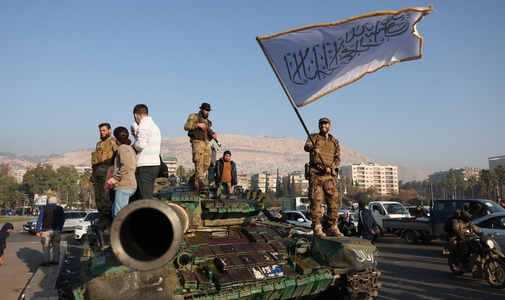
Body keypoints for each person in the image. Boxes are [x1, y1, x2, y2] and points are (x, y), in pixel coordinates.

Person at [304, 117, 342, 237]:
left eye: (325, 124)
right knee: (316, 200)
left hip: (329, 175)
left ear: (330, 126)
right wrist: (313, 149)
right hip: (316, 174)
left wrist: (331, 167)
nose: (323, 126)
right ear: (319, 126)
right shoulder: (314, 137)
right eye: (321, 124)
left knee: (333, 200)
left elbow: (337, 159)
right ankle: (317, 227)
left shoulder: (334, 141)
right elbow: (306, 147)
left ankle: (332, 226)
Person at [131, 104, 161, 201]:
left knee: (145, 199)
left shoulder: (143, 125)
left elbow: (140, 145)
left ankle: (147, 216)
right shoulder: (154, 125)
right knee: (146, 195)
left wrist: (132, 147)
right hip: (153, 165)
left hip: (145, 166)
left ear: (136, 115)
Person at [184, 103, 217, 190]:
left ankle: (193, 179)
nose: (208, 112)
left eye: (209, 111)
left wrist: (213, 135)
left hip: (206, 142)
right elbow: (186, 126)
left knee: (206, 164)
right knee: (199, 161)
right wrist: (197, 125)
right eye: (206, 110)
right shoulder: (194, 117)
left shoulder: (208, 122)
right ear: (201, 109)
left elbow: (209, 131)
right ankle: (201, 182)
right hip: (197, 142)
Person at [90, 123, 118, 227]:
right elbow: (95, 161)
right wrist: (93, 174)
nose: (102, 133)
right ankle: (102, 215)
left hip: (107, 173)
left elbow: (117, 155)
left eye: (104, 130)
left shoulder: (113, 142)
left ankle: (107, 216)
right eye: (100, 131)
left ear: (109, 130)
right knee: (98, 195)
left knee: (106, 195)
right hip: (97, 173)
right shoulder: (99, 144)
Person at [107, 127, 137, 219]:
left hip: (124, 186)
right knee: (115, 212)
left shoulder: (122, 149)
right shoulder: (130, 148)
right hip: (129, 185)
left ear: (115, 138)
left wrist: (115, 178)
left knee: (119, 215)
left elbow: (126, 165)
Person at [36, 196, 65, 266]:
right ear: (56, 202)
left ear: (49, 201)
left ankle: (46, 261)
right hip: (56, 230)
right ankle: (56, 260)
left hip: (46, 230)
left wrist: (37, 230)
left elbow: (39, 220)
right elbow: (63, 220)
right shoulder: (60, 209)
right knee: (56, 246)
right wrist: (60, 228)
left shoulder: (44, 209)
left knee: (46, 246)